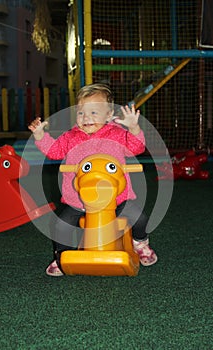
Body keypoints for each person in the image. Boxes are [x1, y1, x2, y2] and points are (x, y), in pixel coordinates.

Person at [28, 83, 157, 276]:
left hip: (116, 198)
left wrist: (134, 129)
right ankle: (61, 255)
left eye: (94, 113)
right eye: (81, 113)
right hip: (79, 200)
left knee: (139, 218)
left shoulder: (117, 135)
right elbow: (54, 151)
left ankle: (140, 242)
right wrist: (40, 136)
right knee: (61, 225)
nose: (86, 118)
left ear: (108, 116)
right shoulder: (71, 137)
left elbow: (136, 148)